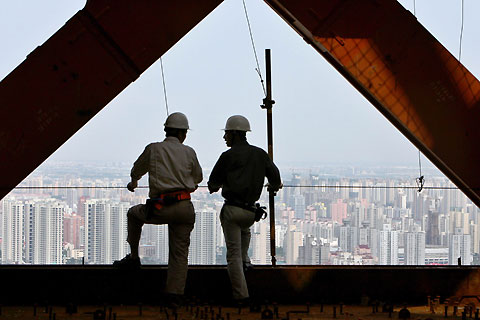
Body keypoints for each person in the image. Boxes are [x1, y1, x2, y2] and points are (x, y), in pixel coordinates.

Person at [114, 112, 203, 305]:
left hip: (160, 207)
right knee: (179, 254)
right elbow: (198, 178)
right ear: (183, 134)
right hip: (184, 208)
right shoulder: (189, 152)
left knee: (133, 214)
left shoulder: (154, 149)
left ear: (166, 130)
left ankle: (134, 257)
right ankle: (174, 295)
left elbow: (137, 168)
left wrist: (134, 181)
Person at [207, 115, 281, 303]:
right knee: (242, 245)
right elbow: (275, 179)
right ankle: (246, 262)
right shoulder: (260, 154)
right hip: (250, 213)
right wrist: (272, 187)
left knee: (232, 255)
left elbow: (213, 184)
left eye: (226, 134)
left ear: (233, 134)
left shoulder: (227, 156)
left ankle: (242, 296)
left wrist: (217, 185)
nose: (224, 138)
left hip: (232, 211)